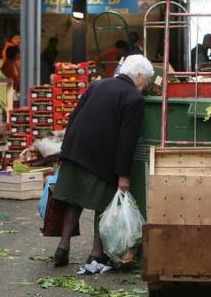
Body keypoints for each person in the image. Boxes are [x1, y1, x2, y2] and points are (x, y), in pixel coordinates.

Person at [52, 54, 154, 267]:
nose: (145, 86)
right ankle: (96, 254)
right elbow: (128, 140)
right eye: (146, 81)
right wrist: (124, 176)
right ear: (137, 76)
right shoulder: (134, 99)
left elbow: (74, 117)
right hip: (101, 157)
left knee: (73, 200)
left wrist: (65, 151)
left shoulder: (98, 85)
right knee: (103, 205)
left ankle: (63, 247)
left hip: (75, 149)